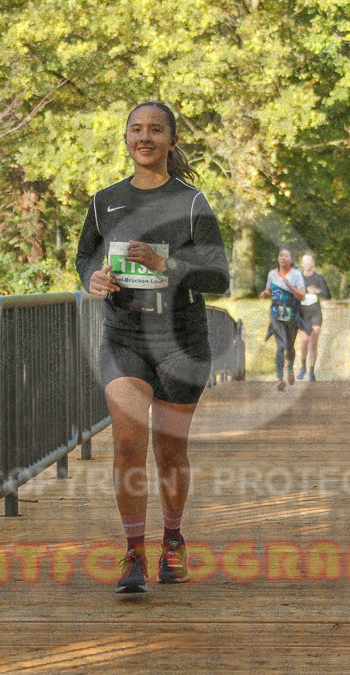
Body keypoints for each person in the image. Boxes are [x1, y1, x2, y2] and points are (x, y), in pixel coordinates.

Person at [75, 101, 229, 594]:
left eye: (155, 130)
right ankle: (133, 555)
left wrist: (172, 269)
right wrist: (91, 278)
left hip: (181, 340)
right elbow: (84, 255)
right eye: (136, 129)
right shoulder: (104, 201)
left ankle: (174, 541)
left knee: (169, 450)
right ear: (125, 138)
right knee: (126, 444)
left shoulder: (191, 203)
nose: (145, 138)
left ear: (171, 141)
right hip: (123, 337)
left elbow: (220, 277)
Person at [260, 247, 308, 390]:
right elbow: (269, 289)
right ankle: (280, 378)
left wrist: (289, 286)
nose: (283, 258)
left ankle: (290, 369)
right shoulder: (272, 274)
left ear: (291, 260)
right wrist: (265, 293)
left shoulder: (296, 274)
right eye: (281, 256)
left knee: (289, 347)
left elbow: (302, 296)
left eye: (286, 256)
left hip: (291, 313)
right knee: (281, 346)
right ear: (278, 258)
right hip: (276, 313)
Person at [295, 252, 332, 381]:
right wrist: (304, 290)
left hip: (315, 313)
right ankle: (302, 367)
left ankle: (311, 371)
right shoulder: (297, 277)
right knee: (304, 341)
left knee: (313, 343)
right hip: (302, 313)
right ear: (302, 263)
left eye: (310, 261)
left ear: (313, 263)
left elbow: (328, 295)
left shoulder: (319, 278)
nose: (307, 264)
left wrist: (317, 291)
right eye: (305, 262)